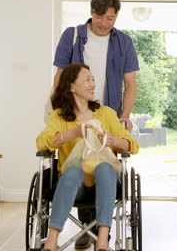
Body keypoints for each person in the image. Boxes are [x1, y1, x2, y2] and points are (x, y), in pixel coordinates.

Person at [51, 0, 139, 248]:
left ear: (116, 17)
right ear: (91, 12)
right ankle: (85, 229)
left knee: (103, 164)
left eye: (110, 18)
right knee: (78, 159)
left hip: (107, 111)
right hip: (77, 108)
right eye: (100, 16)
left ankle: (102, 232)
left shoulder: (124, 42)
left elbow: (131, 84)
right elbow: (60, 75)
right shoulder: (73, 35)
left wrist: (124, 116)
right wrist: (60, 109)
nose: (104, 23)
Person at [36, 63, 139, 251]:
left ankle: (102, 242)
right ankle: (50, 244)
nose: (93, 84)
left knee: (105, 168)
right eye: (87, 80)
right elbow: (41, 142)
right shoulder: (59, 117)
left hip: (107, 183)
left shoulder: (106, 113)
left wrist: (113, 140)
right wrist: (72, 133)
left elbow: (132, 145)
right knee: (73, 171)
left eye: (93, 79)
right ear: (72, 87)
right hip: (75, 187)